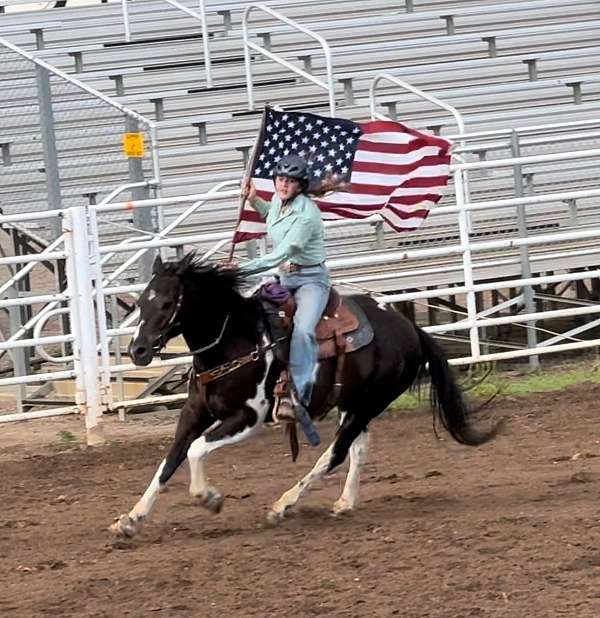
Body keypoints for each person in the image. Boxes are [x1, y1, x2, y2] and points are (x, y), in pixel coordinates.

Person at [236, 154, 330, 445]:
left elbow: (282, 252)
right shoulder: (279, 202)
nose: (283, 185)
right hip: (285, 280)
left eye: (289, 181)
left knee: (302, 328)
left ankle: (300, 393)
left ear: (300, 185)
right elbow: (272, 218)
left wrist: (242, 268)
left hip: (310, 281)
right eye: (280, 180)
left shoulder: (307, 214)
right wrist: (255, 200)